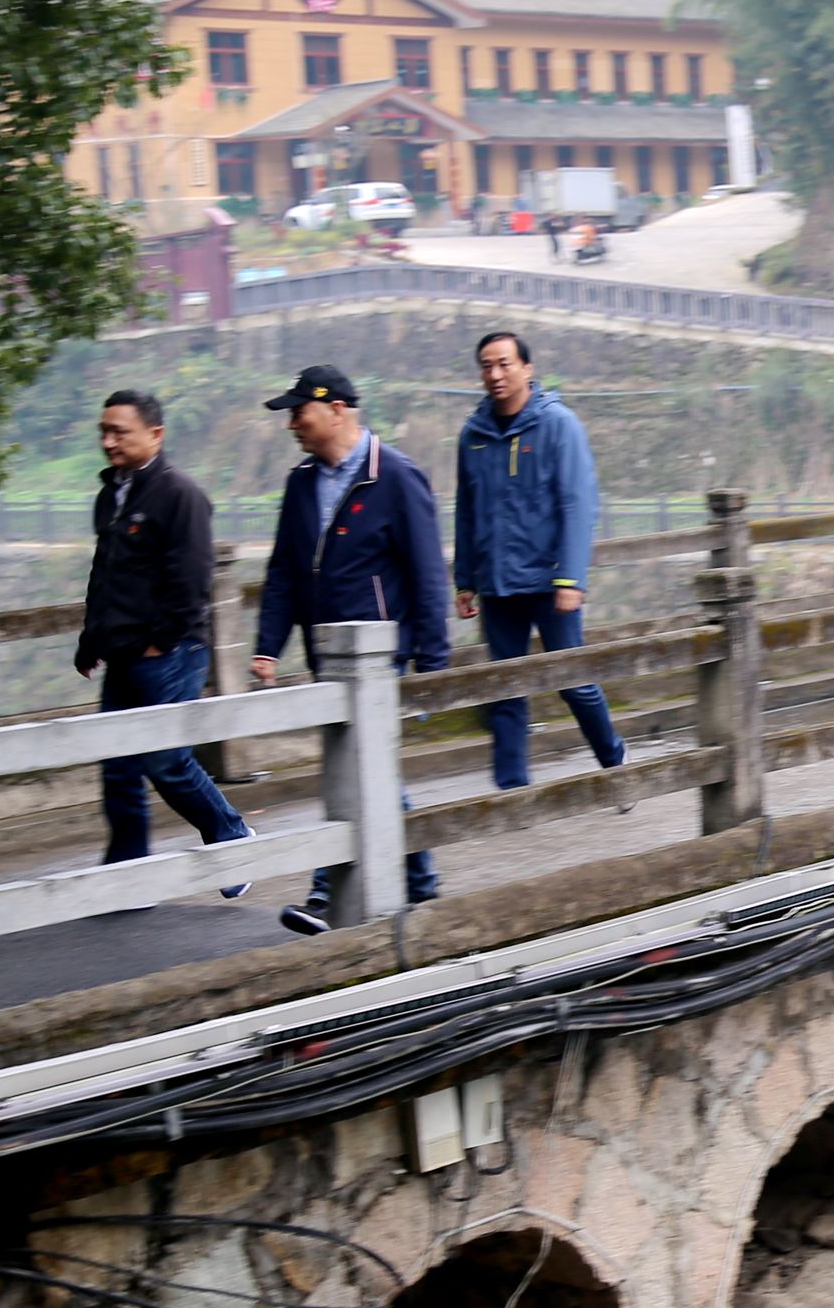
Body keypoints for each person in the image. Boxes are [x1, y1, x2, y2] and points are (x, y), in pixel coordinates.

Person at [251, 364, 450, 931]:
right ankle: (420, 884)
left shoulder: (396, 477)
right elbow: (285, 572)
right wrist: (269, 645)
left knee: (360, 769)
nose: (292, 423)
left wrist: (433, 664)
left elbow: (428, 573)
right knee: (369, 771)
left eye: (300, 411)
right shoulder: (301, 482)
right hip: (327, 655)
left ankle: (326, 893)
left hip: (381, 653)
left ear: (337, 409)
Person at [72, 389, 254, 889]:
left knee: (166, 761)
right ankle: (130, 874)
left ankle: (231, 837)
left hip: (170, 652)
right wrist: (91, 638)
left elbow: (192, 583)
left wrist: (160, 642)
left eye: (120, 432)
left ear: (155, 434)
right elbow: (103, 573)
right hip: (121, 653)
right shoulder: (111, 494)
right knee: (118, 768)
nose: (109, 442)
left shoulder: (180, 495)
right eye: (103, 433)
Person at [455, 329, 630, 793]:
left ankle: (614, 760)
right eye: (486, 366)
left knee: (573, 682)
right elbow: (466, 509)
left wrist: (571, 578)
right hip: (497, 583)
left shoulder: (558, 425)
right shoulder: (473, 435)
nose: (495, 374)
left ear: (527, 369)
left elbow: (578, 503)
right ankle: (511, 792)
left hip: (550, 583)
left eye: (504, 364)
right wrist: (465, 579)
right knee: (505, 689)